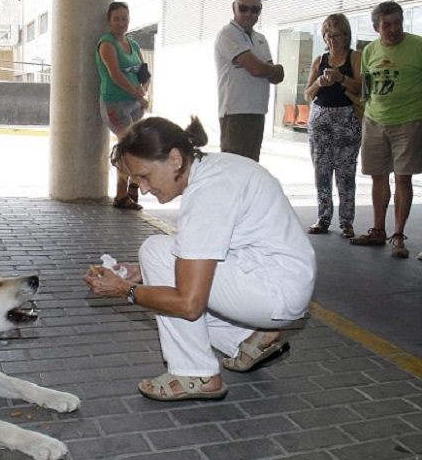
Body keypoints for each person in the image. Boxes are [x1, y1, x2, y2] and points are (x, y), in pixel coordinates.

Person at [83, 116, 316, 401]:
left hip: (275, 291)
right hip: (279, 279)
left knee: (156, 253)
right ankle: (244, 339)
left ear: (175, 159)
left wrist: (126, 290)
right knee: (156, 258)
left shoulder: (208, 193)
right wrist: (143, 272)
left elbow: (189, 305)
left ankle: (195, 373)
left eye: (145, 176)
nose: (143, 189)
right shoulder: (215, 170)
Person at [349, 1, 422, 259]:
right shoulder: (369, 51)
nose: (393, 29)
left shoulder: (418, 46)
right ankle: (378, 230)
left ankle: (398, 236)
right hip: (374, 121)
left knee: (403, 178)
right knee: (378, 176)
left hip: (409, 120)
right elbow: (366, 88)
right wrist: (365, 115)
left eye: (397, 23)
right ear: (376, 27)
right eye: (387, 25)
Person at [303, 14, 362, 238]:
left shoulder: (355, 57)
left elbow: (362, 88)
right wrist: (319, 82)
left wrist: (341, 78)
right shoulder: (320, 60)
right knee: (321, 170)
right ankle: (323, 217)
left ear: (346, 36)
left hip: (347, 119)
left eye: (336, 34)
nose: (331, 39)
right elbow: (307, 94)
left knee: (346, 172)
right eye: (327, 34)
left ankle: (347, 221)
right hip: (320, 120)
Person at [214, 0, 284, 162]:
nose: (248, 14)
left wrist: (261, 67)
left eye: (254, 9)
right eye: (243, 8)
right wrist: (266, 68)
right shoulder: (227, 34)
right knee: (235, 171)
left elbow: (276, 76)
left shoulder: (260, 38)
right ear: (234, 7)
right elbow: (257, 69)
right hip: (236, 114)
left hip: (257, 112)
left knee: (251, 169)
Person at [96, 1, 150, 210]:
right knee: (128, 147)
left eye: (124, 18)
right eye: (116, 18)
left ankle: (133, 187)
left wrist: (144, 88)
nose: (121, 23)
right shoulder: (106, 44)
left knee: (134, 146)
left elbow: (143, 72)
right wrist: (138, 94)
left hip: (135, 104)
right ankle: (121, 195)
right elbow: (115, 75)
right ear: (109, 21)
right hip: (115, 103)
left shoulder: (133, 44)